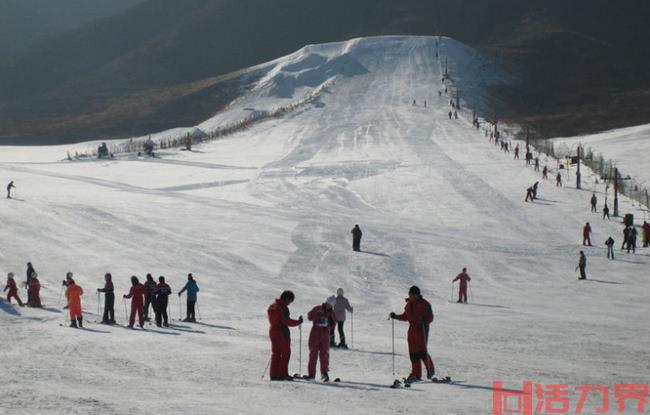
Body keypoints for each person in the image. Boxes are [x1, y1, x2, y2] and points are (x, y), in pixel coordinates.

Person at [389, 286, 435, 382]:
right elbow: (406, 316)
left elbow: (430, 317)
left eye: (412, 294)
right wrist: (396, 316)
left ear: (417, 295)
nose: (410, 296)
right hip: (412, 331)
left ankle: (430, 370)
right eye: (410, 294)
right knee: (413, 353)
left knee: (422, 351)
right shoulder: (408, 305)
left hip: (421, 329)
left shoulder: (424, 304)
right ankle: (416, 374)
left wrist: (425, 320)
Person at [267, 290, 303, 381]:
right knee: (285, 353)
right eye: (290, 301)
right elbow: (286, 321)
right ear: (287, 298)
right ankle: (282, 374)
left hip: (273, 330)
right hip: (281, 332)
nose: (289, 303)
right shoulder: (282, 307)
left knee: (276, 353)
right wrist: (298, 322)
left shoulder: (272, 306)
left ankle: (274, 375)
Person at [306, 301, 336, 381]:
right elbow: (309, 316)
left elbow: (334, 323)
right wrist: (318, 317)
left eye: (331, 305)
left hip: (325, 336)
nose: (329, 306)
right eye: (328, 304)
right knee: (313, 354)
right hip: (315, 334)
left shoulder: (331, 312)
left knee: (324, 355)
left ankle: (324, 373)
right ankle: (311, 374)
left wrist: (330, 323)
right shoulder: (318, 308)